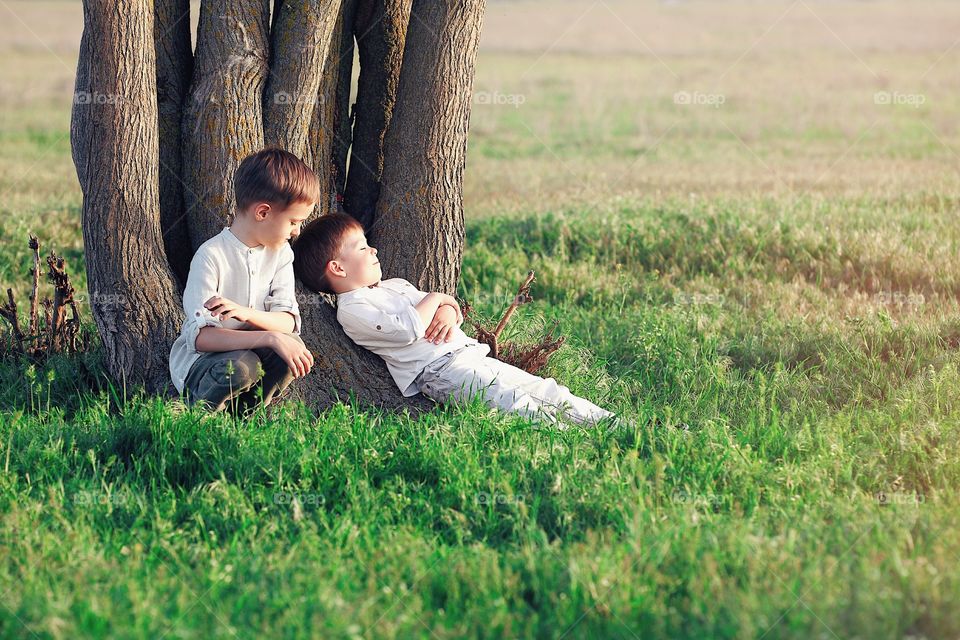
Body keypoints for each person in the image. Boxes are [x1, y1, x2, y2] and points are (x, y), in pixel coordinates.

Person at [292, 212, 615, 427]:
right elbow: (408, 329)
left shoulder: (393, 286)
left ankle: (609, 423)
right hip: (441, 372)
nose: (374, 250)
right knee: (511, 402)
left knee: (543, 389)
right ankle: (568, 436)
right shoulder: (353, 309)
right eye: (362, 248)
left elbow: (448, 314)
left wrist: (446, 306)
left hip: (467, 355)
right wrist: (438, 298)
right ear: (337, 268)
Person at [169, 148, 317, 413]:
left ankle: (243, 416)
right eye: (294, 221)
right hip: (206, 362)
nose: (297, 231)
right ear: (262, 212)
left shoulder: (281, 253)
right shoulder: (211, 256)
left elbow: (288, 321)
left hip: (254, 354)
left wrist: (251, 318)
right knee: (240, 366)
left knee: (292, 349)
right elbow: (202, 339)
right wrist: (269, 338)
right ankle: (198, 414)